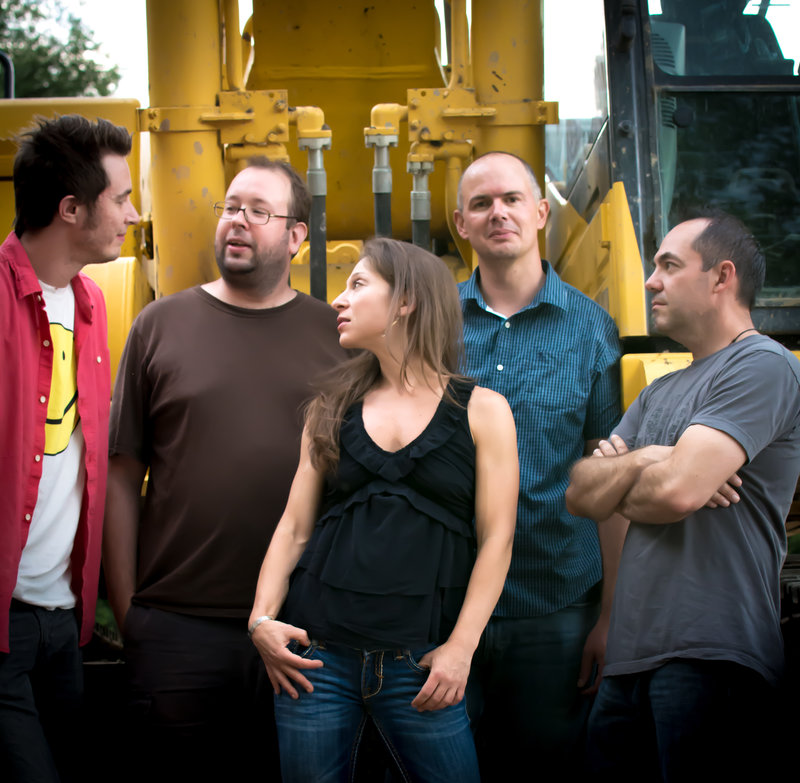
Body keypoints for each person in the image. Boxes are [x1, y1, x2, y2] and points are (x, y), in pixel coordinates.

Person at [103, 158, 345, 781]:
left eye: (258, 211)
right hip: (178, 629)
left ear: (295, 238)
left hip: (303, 630)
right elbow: (121, 474)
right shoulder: (160, 325)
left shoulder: (336, 339)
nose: (237, 220)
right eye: (232, 206)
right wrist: (130, 609)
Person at [249, 237, 519, 783]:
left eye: (357, 284)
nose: (338, 302)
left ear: (406, 301)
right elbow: (295, 526)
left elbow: (498, 539)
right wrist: (260, 621)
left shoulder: (483, 410)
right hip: (314, 659)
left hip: (422, 665)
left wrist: (460, 650)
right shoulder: (330, 409)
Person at [566, 212, 800, 781]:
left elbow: (674, 493)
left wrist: (629, 471)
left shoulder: (762, 364)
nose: (650, 281)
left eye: (669, 266)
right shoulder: (658, 391)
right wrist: (649, 457)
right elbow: (580, 496)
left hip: (714, 653)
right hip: (630, 657)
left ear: (721, 278)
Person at [453, 151, 624, 778]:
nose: (498, 212)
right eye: (481, 204)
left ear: (542, 213)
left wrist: (610, 614)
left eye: (512, 199)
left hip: (557, 608)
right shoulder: (432, 326)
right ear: (461, 224)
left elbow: (607, 481)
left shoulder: (592, 330)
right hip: (447, 607)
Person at [0, 114, 139, 781]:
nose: (134, 214)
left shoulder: (88, 302)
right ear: (71, 208)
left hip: (64, 620)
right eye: (121, 198)